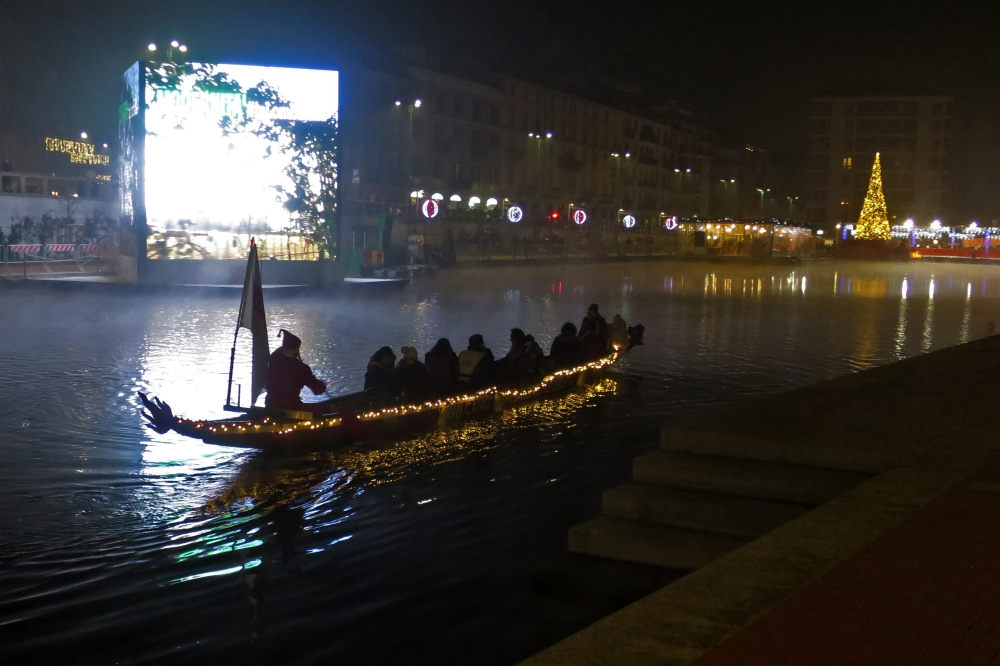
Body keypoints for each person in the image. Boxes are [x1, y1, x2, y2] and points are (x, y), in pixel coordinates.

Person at [265, 329, 327, 412]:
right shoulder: (302, 368)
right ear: (296, 348)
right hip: (291, 407)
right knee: (325, 409)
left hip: (270, 405)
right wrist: (322, 385)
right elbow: (317, 390)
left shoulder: (273, 360)